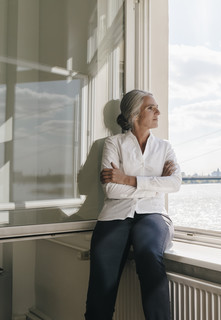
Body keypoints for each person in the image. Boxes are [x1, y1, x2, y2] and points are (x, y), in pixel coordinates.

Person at [85, 90, 182, 320]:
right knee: (101, 282)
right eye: (151, 107)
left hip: (152, 214)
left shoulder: (165, 147)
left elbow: (175, 183)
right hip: (114, 216)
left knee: (149, 256)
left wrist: (127, 179)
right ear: (135, 113)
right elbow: (111, 189)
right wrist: (157, 183)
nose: (158, 112)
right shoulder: (113, 143)